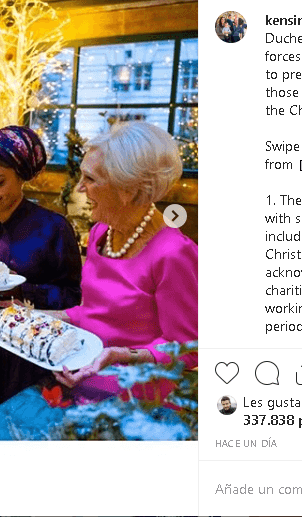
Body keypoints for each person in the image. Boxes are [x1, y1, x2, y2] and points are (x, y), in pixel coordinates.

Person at [0, 126, 82, 432]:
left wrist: (21, 288)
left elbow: (72, 295)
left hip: (25, 354)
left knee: (15, 429)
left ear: (22, 177)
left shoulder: (52, 228)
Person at [51, 121, 198, 398]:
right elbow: (96, 314)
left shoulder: (173, 253)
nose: (80, 188)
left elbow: (187, 348)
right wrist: (29, 316)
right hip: (81, 381)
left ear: (127, 189)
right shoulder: (100, 233)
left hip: (137, 402)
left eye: (91, 179)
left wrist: (123, 354)